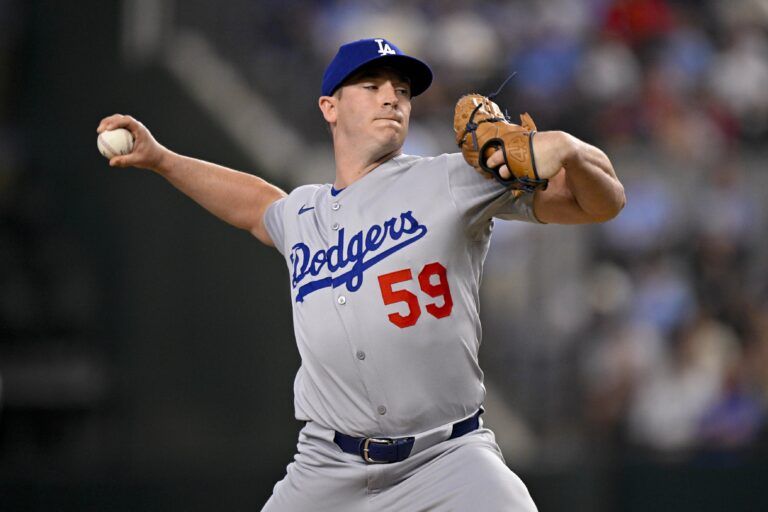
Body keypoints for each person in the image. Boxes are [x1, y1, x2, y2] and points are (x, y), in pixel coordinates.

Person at [97, 38, 624, 511]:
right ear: (329, 107)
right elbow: (256, 205)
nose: (391, 97)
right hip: (328, 468)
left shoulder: (451, 179)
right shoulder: (302, 214)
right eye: (371, 86)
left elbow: (600, 203)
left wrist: (571, 149)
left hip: (448, 459)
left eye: (401, 90)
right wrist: (162, 158)